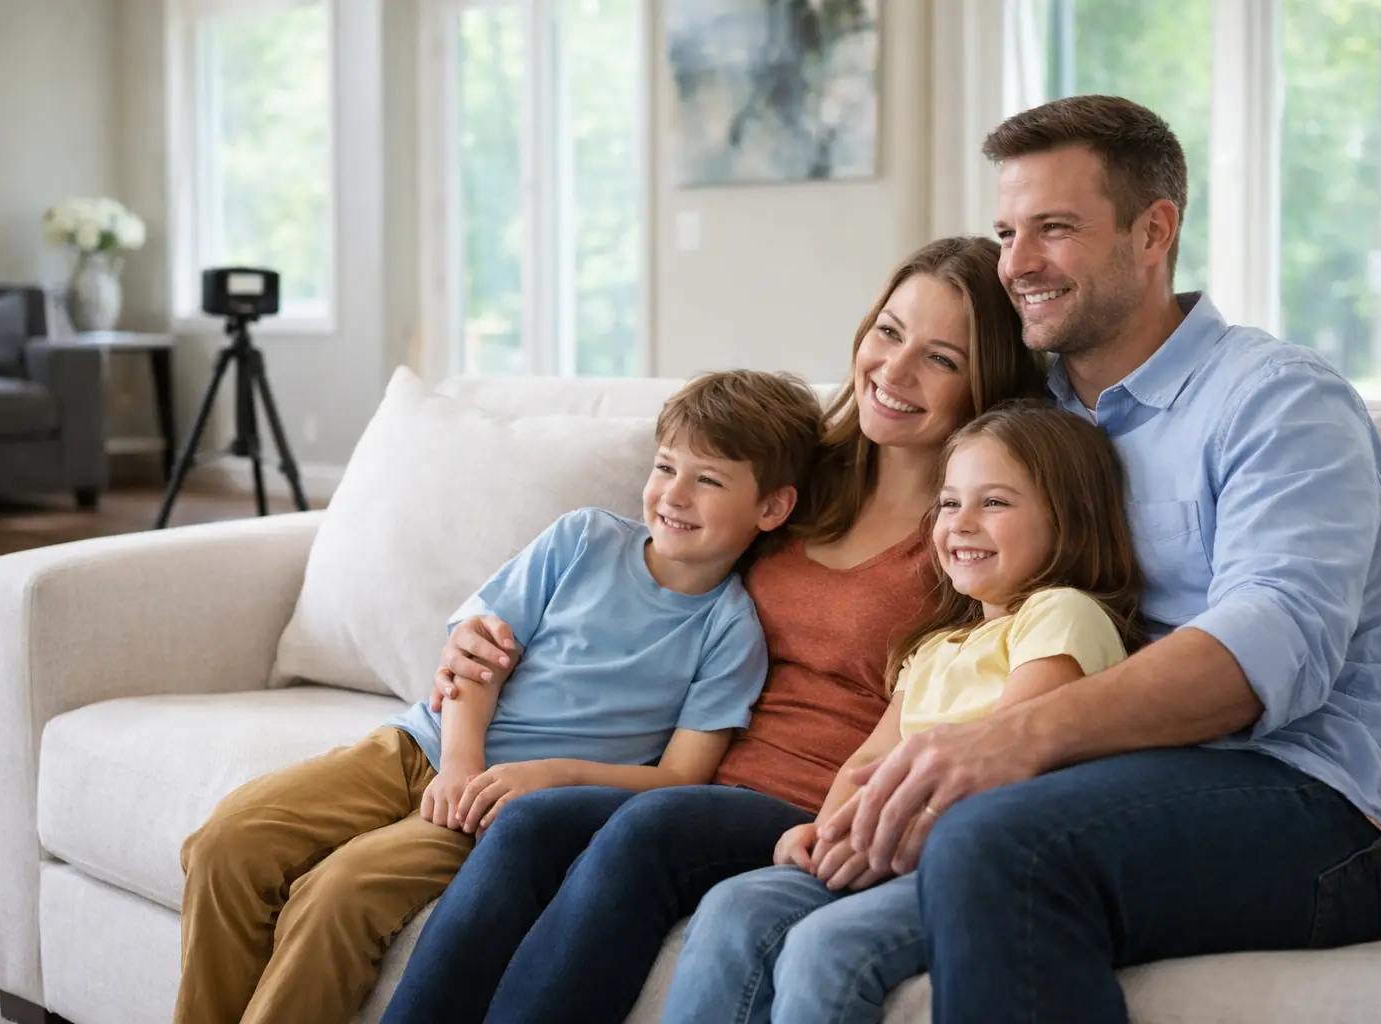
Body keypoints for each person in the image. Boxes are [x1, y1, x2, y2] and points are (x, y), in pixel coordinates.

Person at [827, 94, 1381, 1023]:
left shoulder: (1275, 400)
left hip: (1325, 805)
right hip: (1108, 790)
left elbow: (1269, 641)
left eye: (1055, 228)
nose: (1018, 264)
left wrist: (1012, 738)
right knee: (794, 915)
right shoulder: (1027, 417)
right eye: (1007, 231)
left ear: (1154, 231)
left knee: (1001, 843)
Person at [381, 236, 1049, 1024]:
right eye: (889, 332)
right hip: (688, 771)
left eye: (941, 358)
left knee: (650, 832)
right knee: (531, 820)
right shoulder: (794, 478)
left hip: (805, 801)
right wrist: (482, 642)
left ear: (987, 384)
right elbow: (645, 577)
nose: (894, 372)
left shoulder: (970, 531)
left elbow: (1000, 672)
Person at [172, 368, 823, 1024]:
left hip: (498, 807)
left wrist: (545, 776)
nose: (673, 494)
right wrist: (459, 761)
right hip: (422, 746)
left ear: (771, 508)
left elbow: (681, 776)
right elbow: (477, 658)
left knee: (338, 894)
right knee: (228, 843)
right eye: (665, 467)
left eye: (708, 480)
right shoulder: (581, 540)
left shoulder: (732, 632)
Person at [662, 401, 1147, 1024]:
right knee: (734, 905)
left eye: (994, 503)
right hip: (878, 844)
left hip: (966, 862)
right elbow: (868, 758)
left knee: (825, 945)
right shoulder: (933, 645)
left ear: (1070, 517)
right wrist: (825, 828)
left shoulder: (1062, 614)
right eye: (948, 503)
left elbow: (1010, 753)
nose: (962, 523)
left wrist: (877, 839)